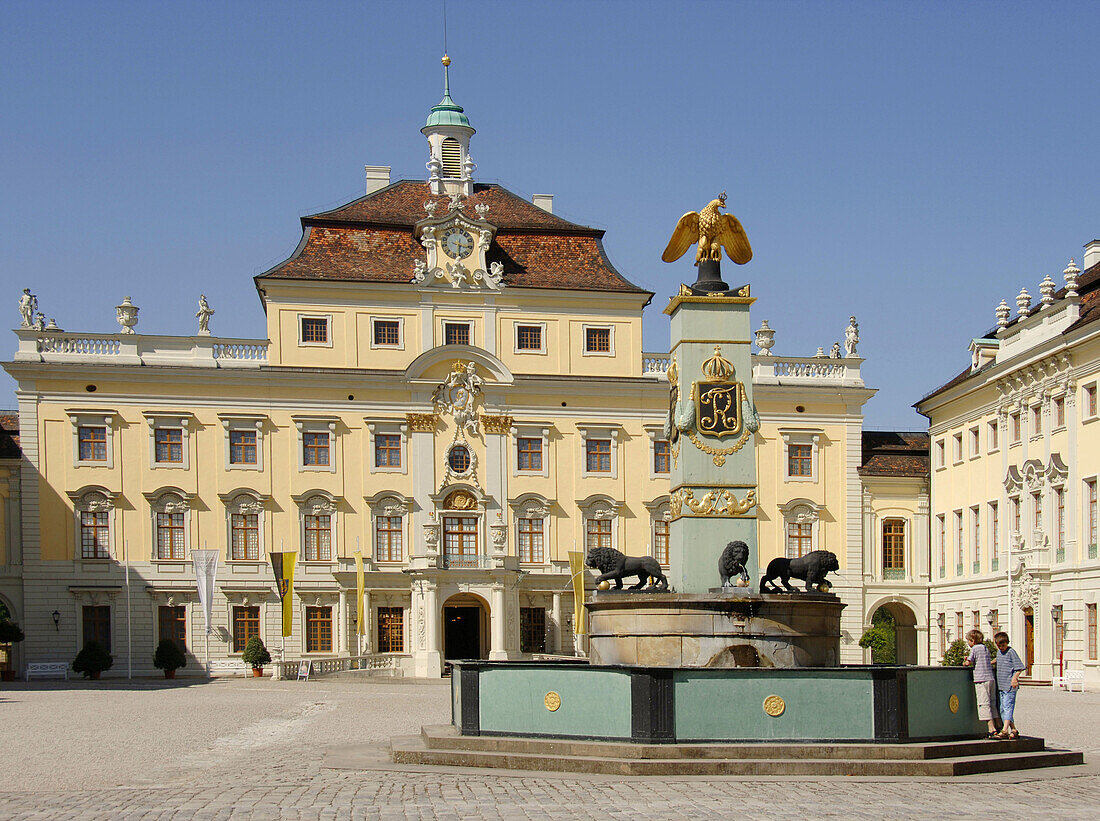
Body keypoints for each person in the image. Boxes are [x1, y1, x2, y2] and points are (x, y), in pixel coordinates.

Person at [962, 629, 998, 737]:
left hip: (981, 678)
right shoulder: (985, 648)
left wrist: (965, 661)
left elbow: (968, 662)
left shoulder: (974, 649)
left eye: (968, 641)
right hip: (990, 678)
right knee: (992, 703)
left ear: (972, 641)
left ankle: (991, 729)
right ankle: (998, 725)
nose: (968, 643)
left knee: (984, 703)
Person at [993, 631, 1026, 739]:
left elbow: (1019, 667)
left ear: (1007, 643)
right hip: (1001, 685)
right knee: (1003, 708)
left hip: (1010, 686)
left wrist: (1014, 679)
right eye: (999, 646)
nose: (1001, 647)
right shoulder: (999, 653)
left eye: (1003, 645)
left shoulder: (1011, 652)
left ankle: (1004, 730)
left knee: (1008, 707)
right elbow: (998, 660)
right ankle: (1014, 730)